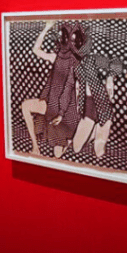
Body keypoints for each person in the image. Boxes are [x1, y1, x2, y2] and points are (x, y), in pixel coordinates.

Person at [20, 20, 91, 158]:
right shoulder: (55, 57)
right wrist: (46, 28)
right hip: (51, 104)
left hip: (66, 110)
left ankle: (68, 139)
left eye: (73, 41)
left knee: (57, 154)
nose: (69, 44)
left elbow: (76, 89)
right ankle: (35, 147)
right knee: (25, 105)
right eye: (67, 39)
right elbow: (36, 50)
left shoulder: (77, 64)